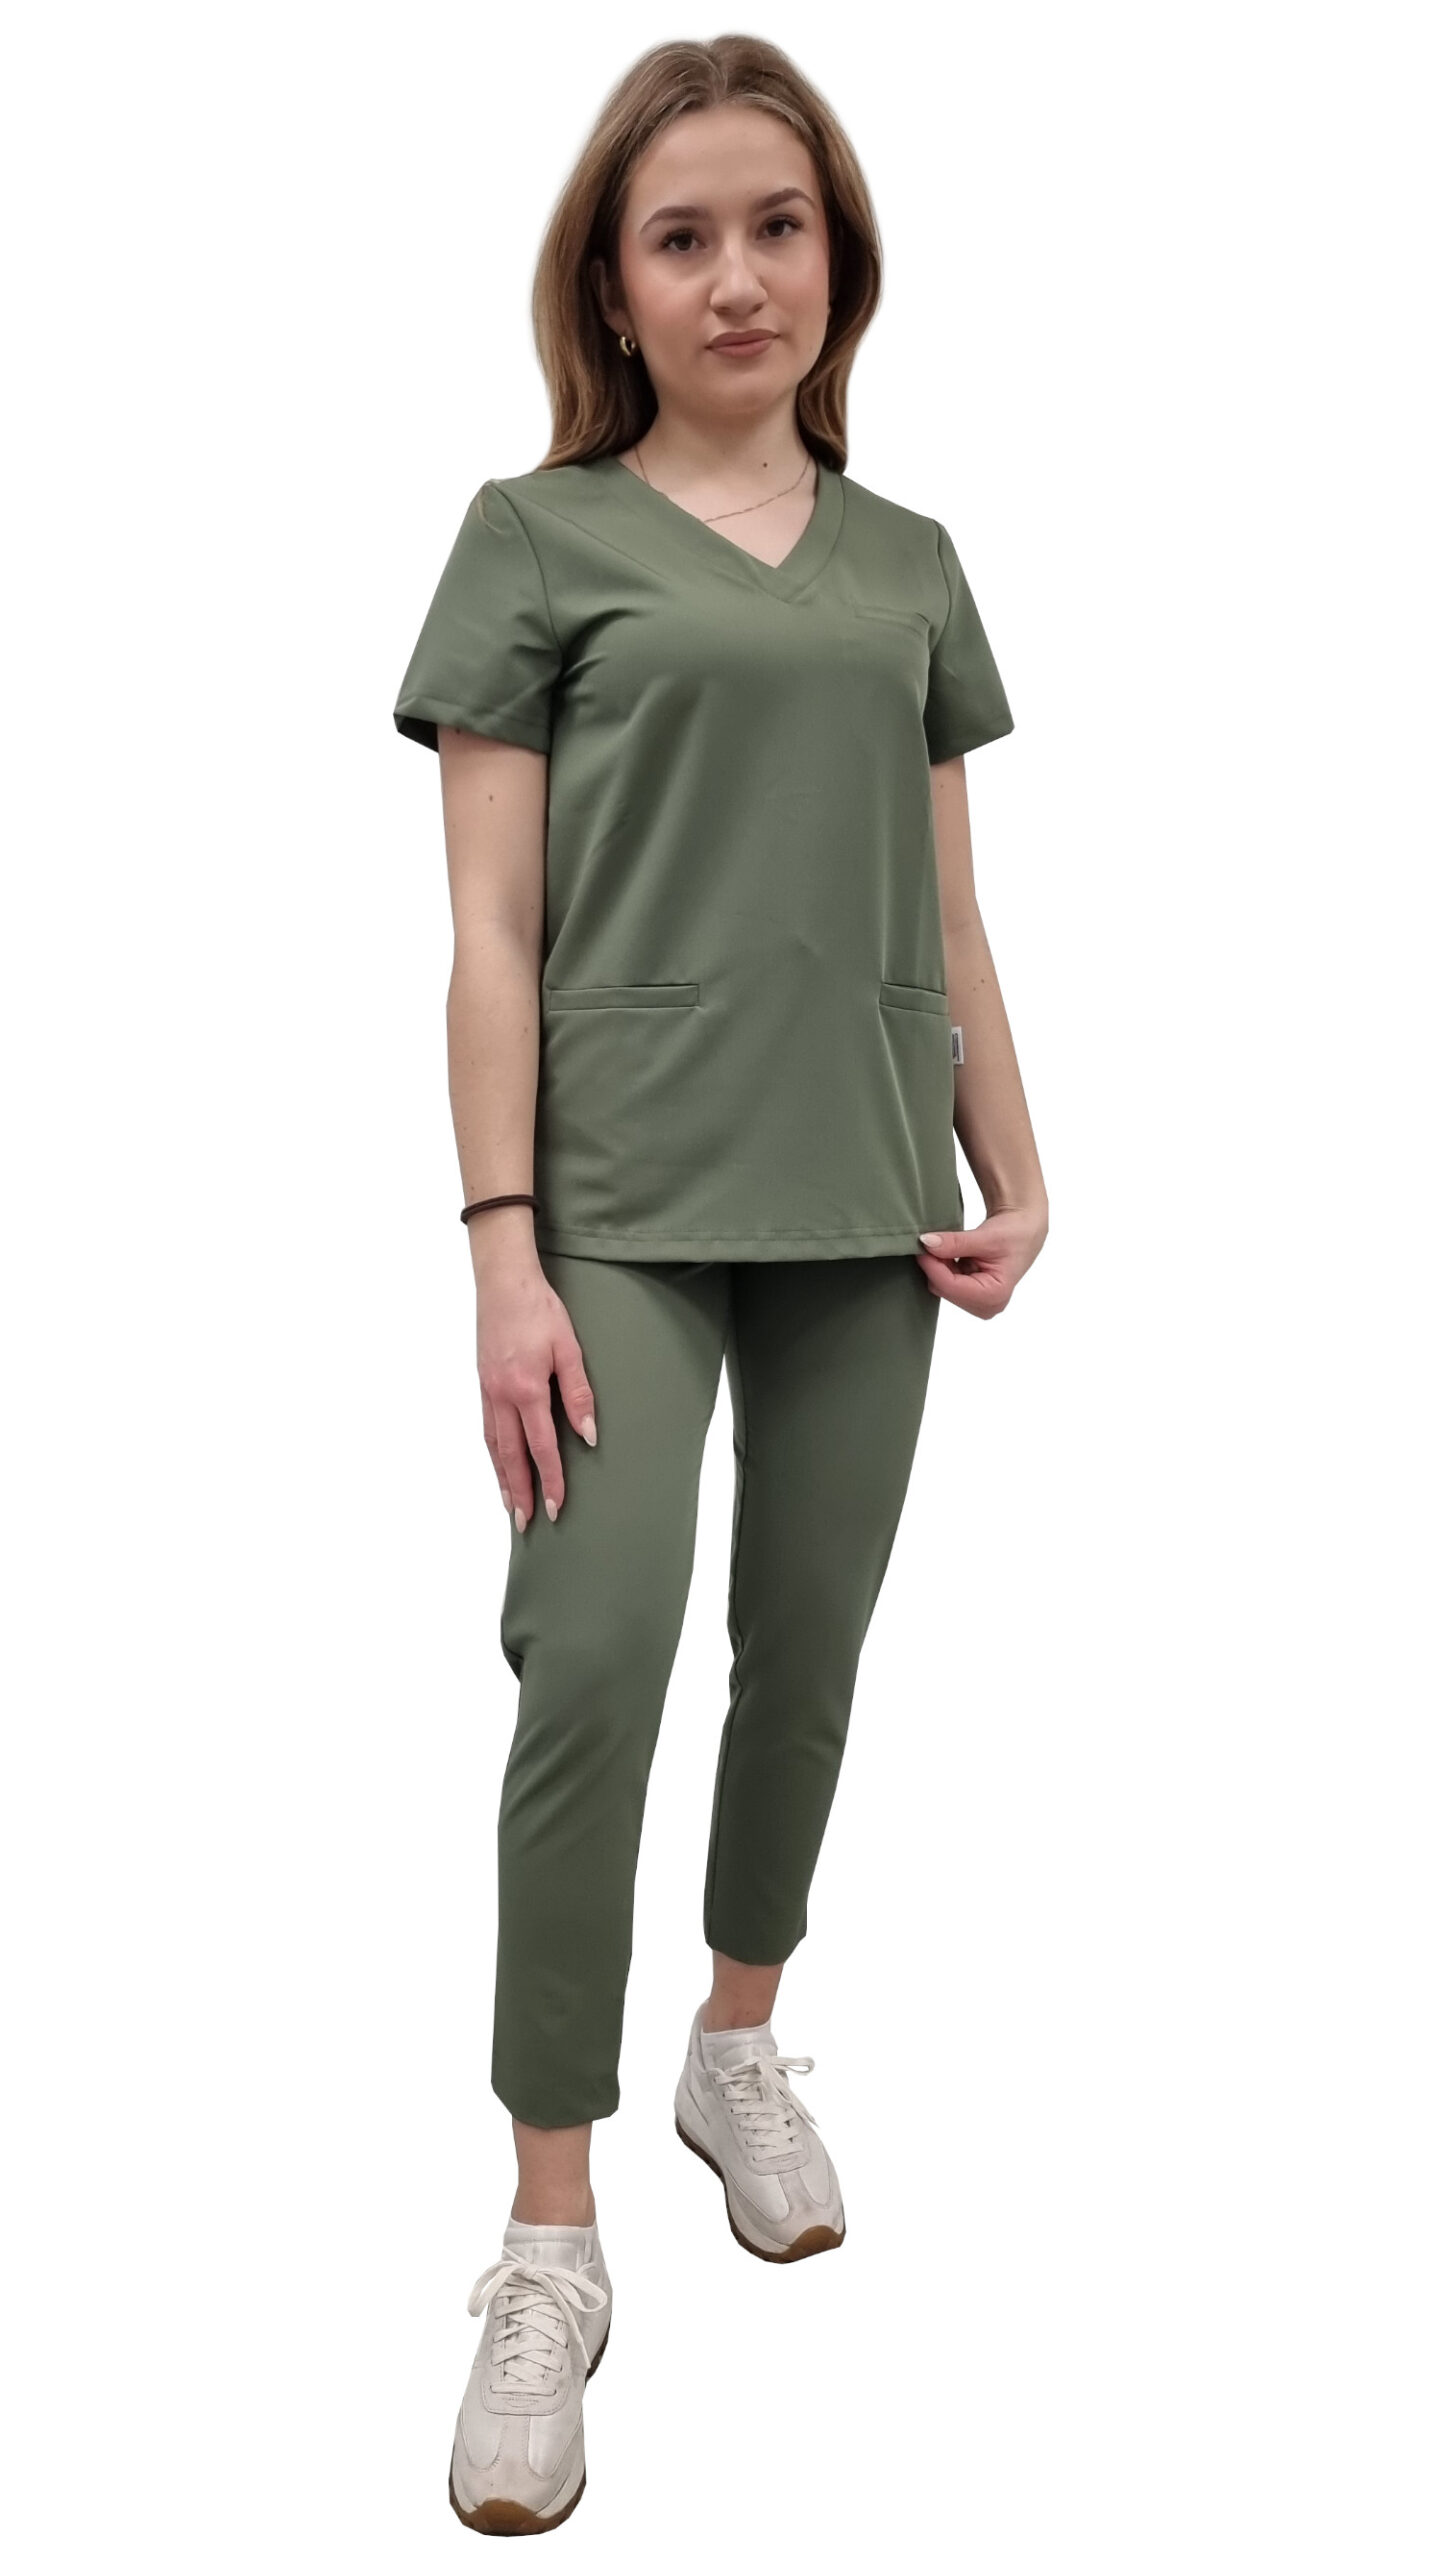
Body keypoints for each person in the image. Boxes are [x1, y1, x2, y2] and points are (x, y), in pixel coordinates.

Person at [392, 33, 1048, 2538]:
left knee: (813, 1645)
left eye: (779, 226)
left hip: (867, 1191)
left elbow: (946, 902)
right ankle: (549, 2234)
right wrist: (499, 1245)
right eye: (683, 236)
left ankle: (737, 2035)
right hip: (618, 1206)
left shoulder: (909, 562)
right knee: (594, 1659)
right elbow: (486, 928)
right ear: (612, 285)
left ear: (836, 261)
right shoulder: (533, 539)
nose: (738, 273)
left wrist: (1020, 1158)